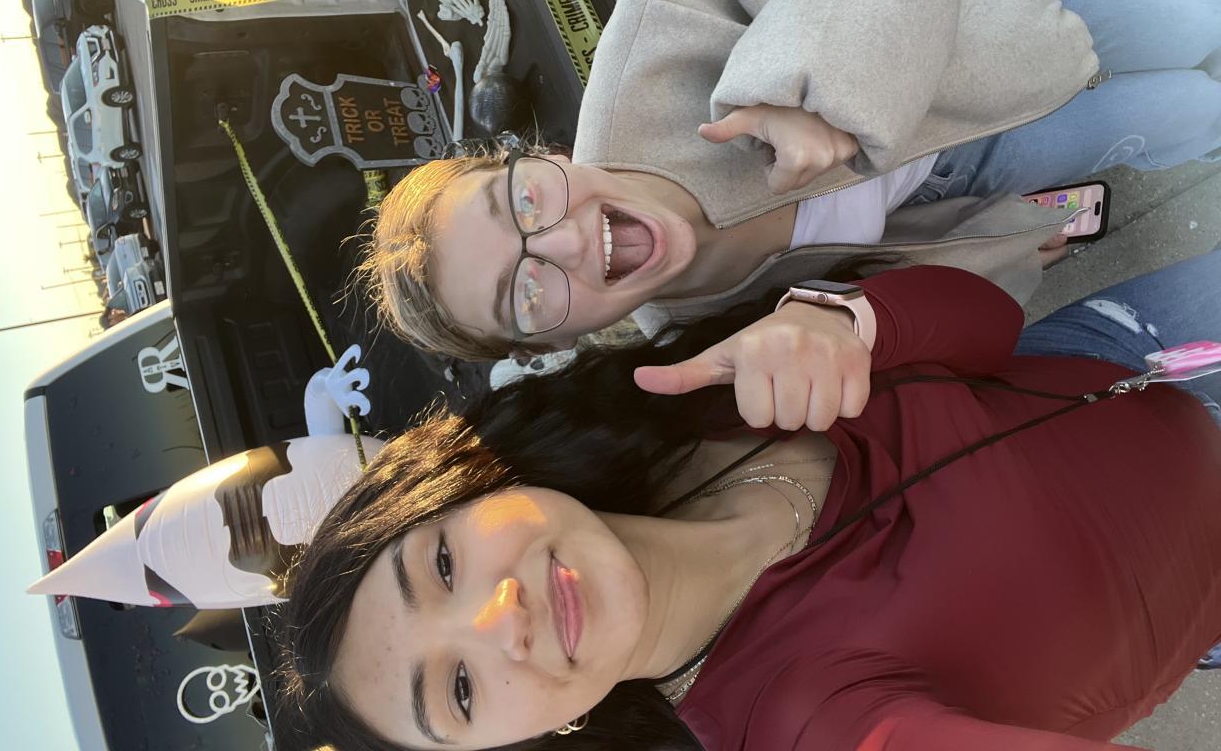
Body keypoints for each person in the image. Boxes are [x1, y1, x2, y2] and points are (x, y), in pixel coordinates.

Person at [278, 254, 1221, 751]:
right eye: (460, 690)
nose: (499, 618)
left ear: (471, 487)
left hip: (1133, 349)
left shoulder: (670, 408)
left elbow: (988, 325)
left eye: (443, 564)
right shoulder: (798, 717)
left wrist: (845, 321)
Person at [359, 0, 1221, 414]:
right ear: (546, 347)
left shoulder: (648, 42)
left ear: (530, 155)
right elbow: (892, 285)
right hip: (967, 173)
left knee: (1188, 23)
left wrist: (811, 79)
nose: (564, 241)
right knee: (1187, 117)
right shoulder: (698, 339)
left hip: (968, 27)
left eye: (522, 201)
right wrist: (996, 249)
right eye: (524, 292)